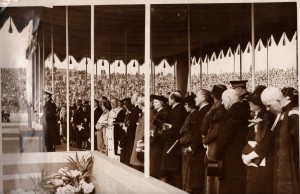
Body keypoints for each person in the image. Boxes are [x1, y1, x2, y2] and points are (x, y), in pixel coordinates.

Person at [261, 87, 299, 194]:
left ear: (278, 101)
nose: (267, 109)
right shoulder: (282, 114)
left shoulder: (294, 115)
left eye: (269, 105)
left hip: (292, 174)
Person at [214, 89, 250, 194]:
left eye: (223, 100)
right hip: (240, 154)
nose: (222, 103)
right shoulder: (243, 109)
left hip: (231, 157)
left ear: (229, 99)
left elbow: (225, 136)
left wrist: (217, 154)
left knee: (229, 186)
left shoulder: (233, 112)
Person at [241, 85, 275, 194]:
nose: (249, 103)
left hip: (262, 164)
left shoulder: (267, 117)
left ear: (258, 104)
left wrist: (253, 154)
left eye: (251, 101)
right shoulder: (258, 116)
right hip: (256, 163)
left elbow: (267, 140)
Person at [184, 89, 212, 194]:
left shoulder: (204, 111)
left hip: (199, 149)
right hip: (200, 147)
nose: (195, 99)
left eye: (197, 96)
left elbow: (200, 131)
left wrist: (193, 147)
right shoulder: (203, 110)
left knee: (197, 180)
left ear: (204, 98)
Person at [201, 84, 227, 194]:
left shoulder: (219, 109)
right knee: (212, 175)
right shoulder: (217, 107)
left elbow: (215, 130)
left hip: (213, 146)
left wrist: (205, 140)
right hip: (212, 145)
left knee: (212, 176)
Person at [160, 91, 188, 189]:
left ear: (172, 99)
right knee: (170, 171)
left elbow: (175, 129)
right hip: (171, 142)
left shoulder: (179, 110)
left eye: (169, 99)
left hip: (173, 144)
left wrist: (163, 133)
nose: (168, 101)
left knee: (173, 171)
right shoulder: (175, 109)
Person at [178, 94, 198, 193]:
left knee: (187, 173)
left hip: (187, 147)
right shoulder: (191, 115)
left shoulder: (193, 116)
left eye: (186, 104)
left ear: (191, 105)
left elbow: (192, 134)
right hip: (186, 146)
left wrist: (181, 140)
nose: (185, 106)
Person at [150, 95, 170, 179]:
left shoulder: (162, 113)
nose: (154, 104)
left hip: (157, 141)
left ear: (161, 103)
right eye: (154, 102)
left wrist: (151, 135)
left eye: (156, 102)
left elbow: (156, 128)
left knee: (155, 162)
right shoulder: (157, 112)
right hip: (155, 140)